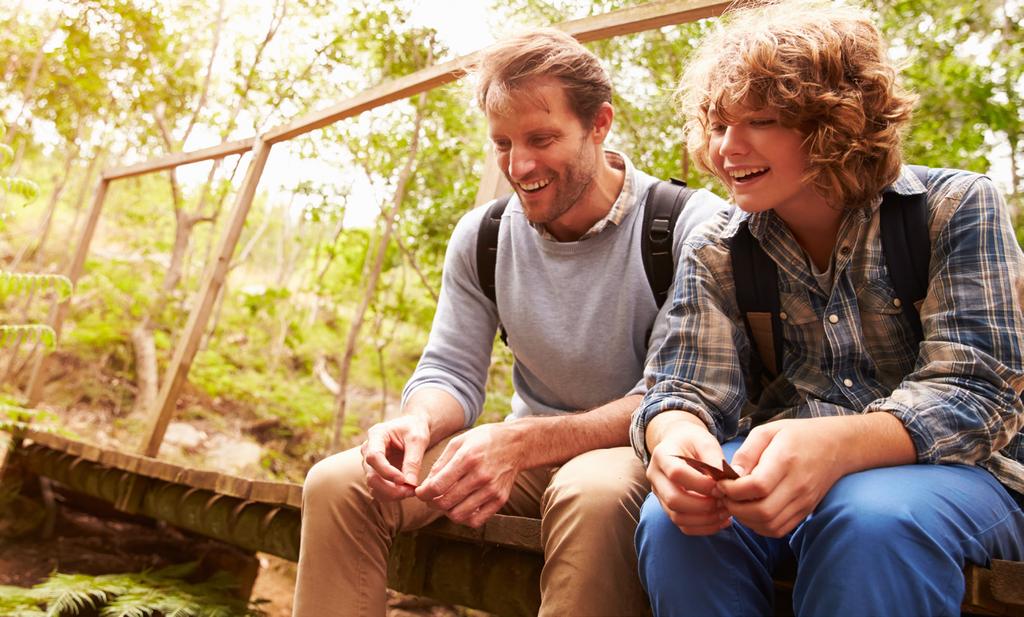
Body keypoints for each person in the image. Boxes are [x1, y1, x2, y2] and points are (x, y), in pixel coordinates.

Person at [293, 28, 727, 616]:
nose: (518, 165)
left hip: (644, 448)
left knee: (591, 493)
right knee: (339, 484)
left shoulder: (687, 226)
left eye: (541, 138)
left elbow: (679, 394)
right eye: (502, 143)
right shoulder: (484, 236)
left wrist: (523, 442)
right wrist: (417, 423)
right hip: (526, 454)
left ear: (599, 124)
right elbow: (450, 368)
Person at [630, 2, 1024, 615]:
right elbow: (684, 386)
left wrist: (837, 446)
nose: (728, 147)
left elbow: (977, 395)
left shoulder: (954, 207)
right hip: (780, 470)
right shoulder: (718, 248)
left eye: (759, 120)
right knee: (677, 522)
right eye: (717, 123)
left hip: (960, 476)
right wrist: (675, 438)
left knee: (871, 521)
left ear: (837, 123)